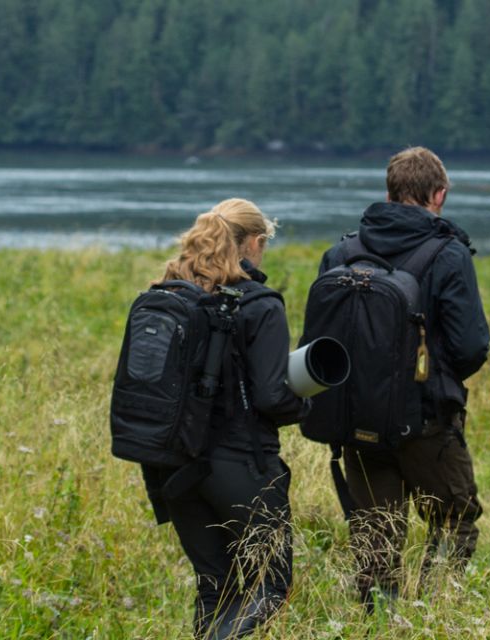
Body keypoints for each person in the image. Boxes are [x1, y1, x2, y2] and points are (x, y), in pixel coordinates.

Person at [315, 147, 490, 607]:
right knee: (453, 519)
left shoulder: (341, 251)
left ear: (389, 193)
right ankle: (429, 612)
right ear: (440, 194)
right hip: (428, 420)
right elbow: (471, 346)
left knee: (375, 530)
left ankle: (381, 618)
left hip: (356, 418)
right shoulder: (450, 254)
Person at [138, 199, 309, 639]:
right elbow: (272, 396)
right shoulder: (261, 304)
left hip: (171, 465)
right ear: (254, 242)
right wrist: (307, 403)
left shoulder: (170, 294)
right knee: (271, 586)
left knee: (215, 586)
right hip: (240, 467)